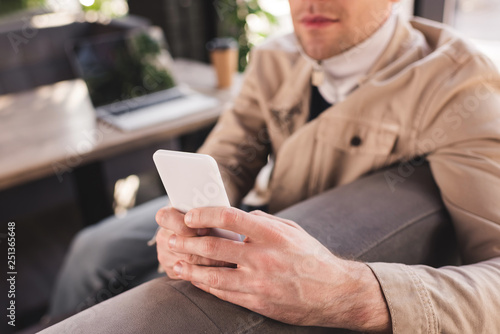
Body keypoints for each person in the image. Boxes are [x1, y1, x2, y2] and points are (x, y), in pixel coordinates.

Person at [47, 0, 500, 332]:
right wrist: (186, 223)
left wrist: (349, 292)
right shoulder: (274, 57)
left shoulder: (459, 86)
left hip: (307, 246)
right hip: (252, 218)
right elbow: (226, 156)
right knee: (92, 248)